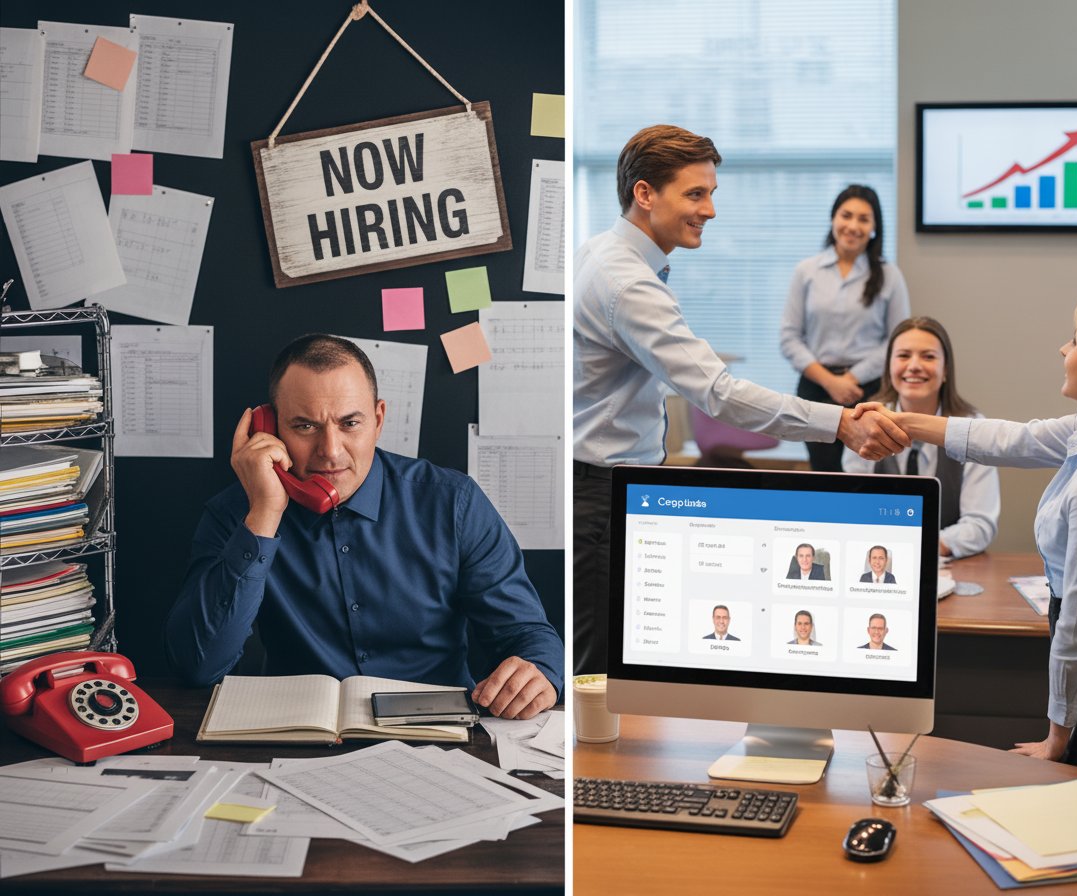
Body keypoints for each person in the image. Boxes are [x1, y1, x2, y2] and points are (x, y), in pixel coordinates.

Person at [572, 125, 908, 675]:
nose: (709, 210)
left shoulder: (601, 251)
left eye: (712, 194)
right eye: (695, 194)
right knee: (603, 674)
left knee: (618, 665)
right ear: (645, 193)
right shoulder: (628, 283)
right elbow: (718, 393)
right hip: (600, 499)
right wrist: (840, 423)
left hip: (607, 487)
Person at [164, 335, 562, 720]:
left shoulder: (452, 502)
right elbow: (199, 666)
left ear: (378, 419)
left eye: (350, 423)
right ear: (268, 429)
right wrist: (265, 513)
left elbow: (526, 633)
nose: (330, 450)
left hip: (436, 737)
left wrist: (539, 671)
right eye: (304, 426)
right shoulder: (237, 513)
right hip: (297, 738)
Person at [859, 291, 1077, 783]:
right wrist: (902, 421)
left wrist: (1058, 736)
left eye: (1075, 342)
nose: (1064, 349)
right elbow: (1011, 439)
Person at [843, 316, 1000, 558]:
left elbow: (980, 525)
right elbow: (853, 511)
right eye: (904, 356)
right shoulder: (865, 422)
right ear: (889, 368)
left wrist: (919, 548)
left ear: (945, 370)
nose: (914, 366)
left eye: (928, 356)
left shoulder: (972, 427)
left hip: (946, 568)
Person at [780, 185, 911, 472]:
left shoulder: (889, 276)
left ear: (875, 227)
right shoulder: (807, 271)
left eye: (863, 219)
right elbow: (789, 337)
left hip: (870, 391)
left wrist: (851, 377)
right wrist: (831, 382)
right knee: (825, 474)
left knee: (867, 474)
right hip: (816, 388)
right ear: (833, 219)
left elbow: (897, 342)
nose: (853, 226)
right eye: (846, 215)